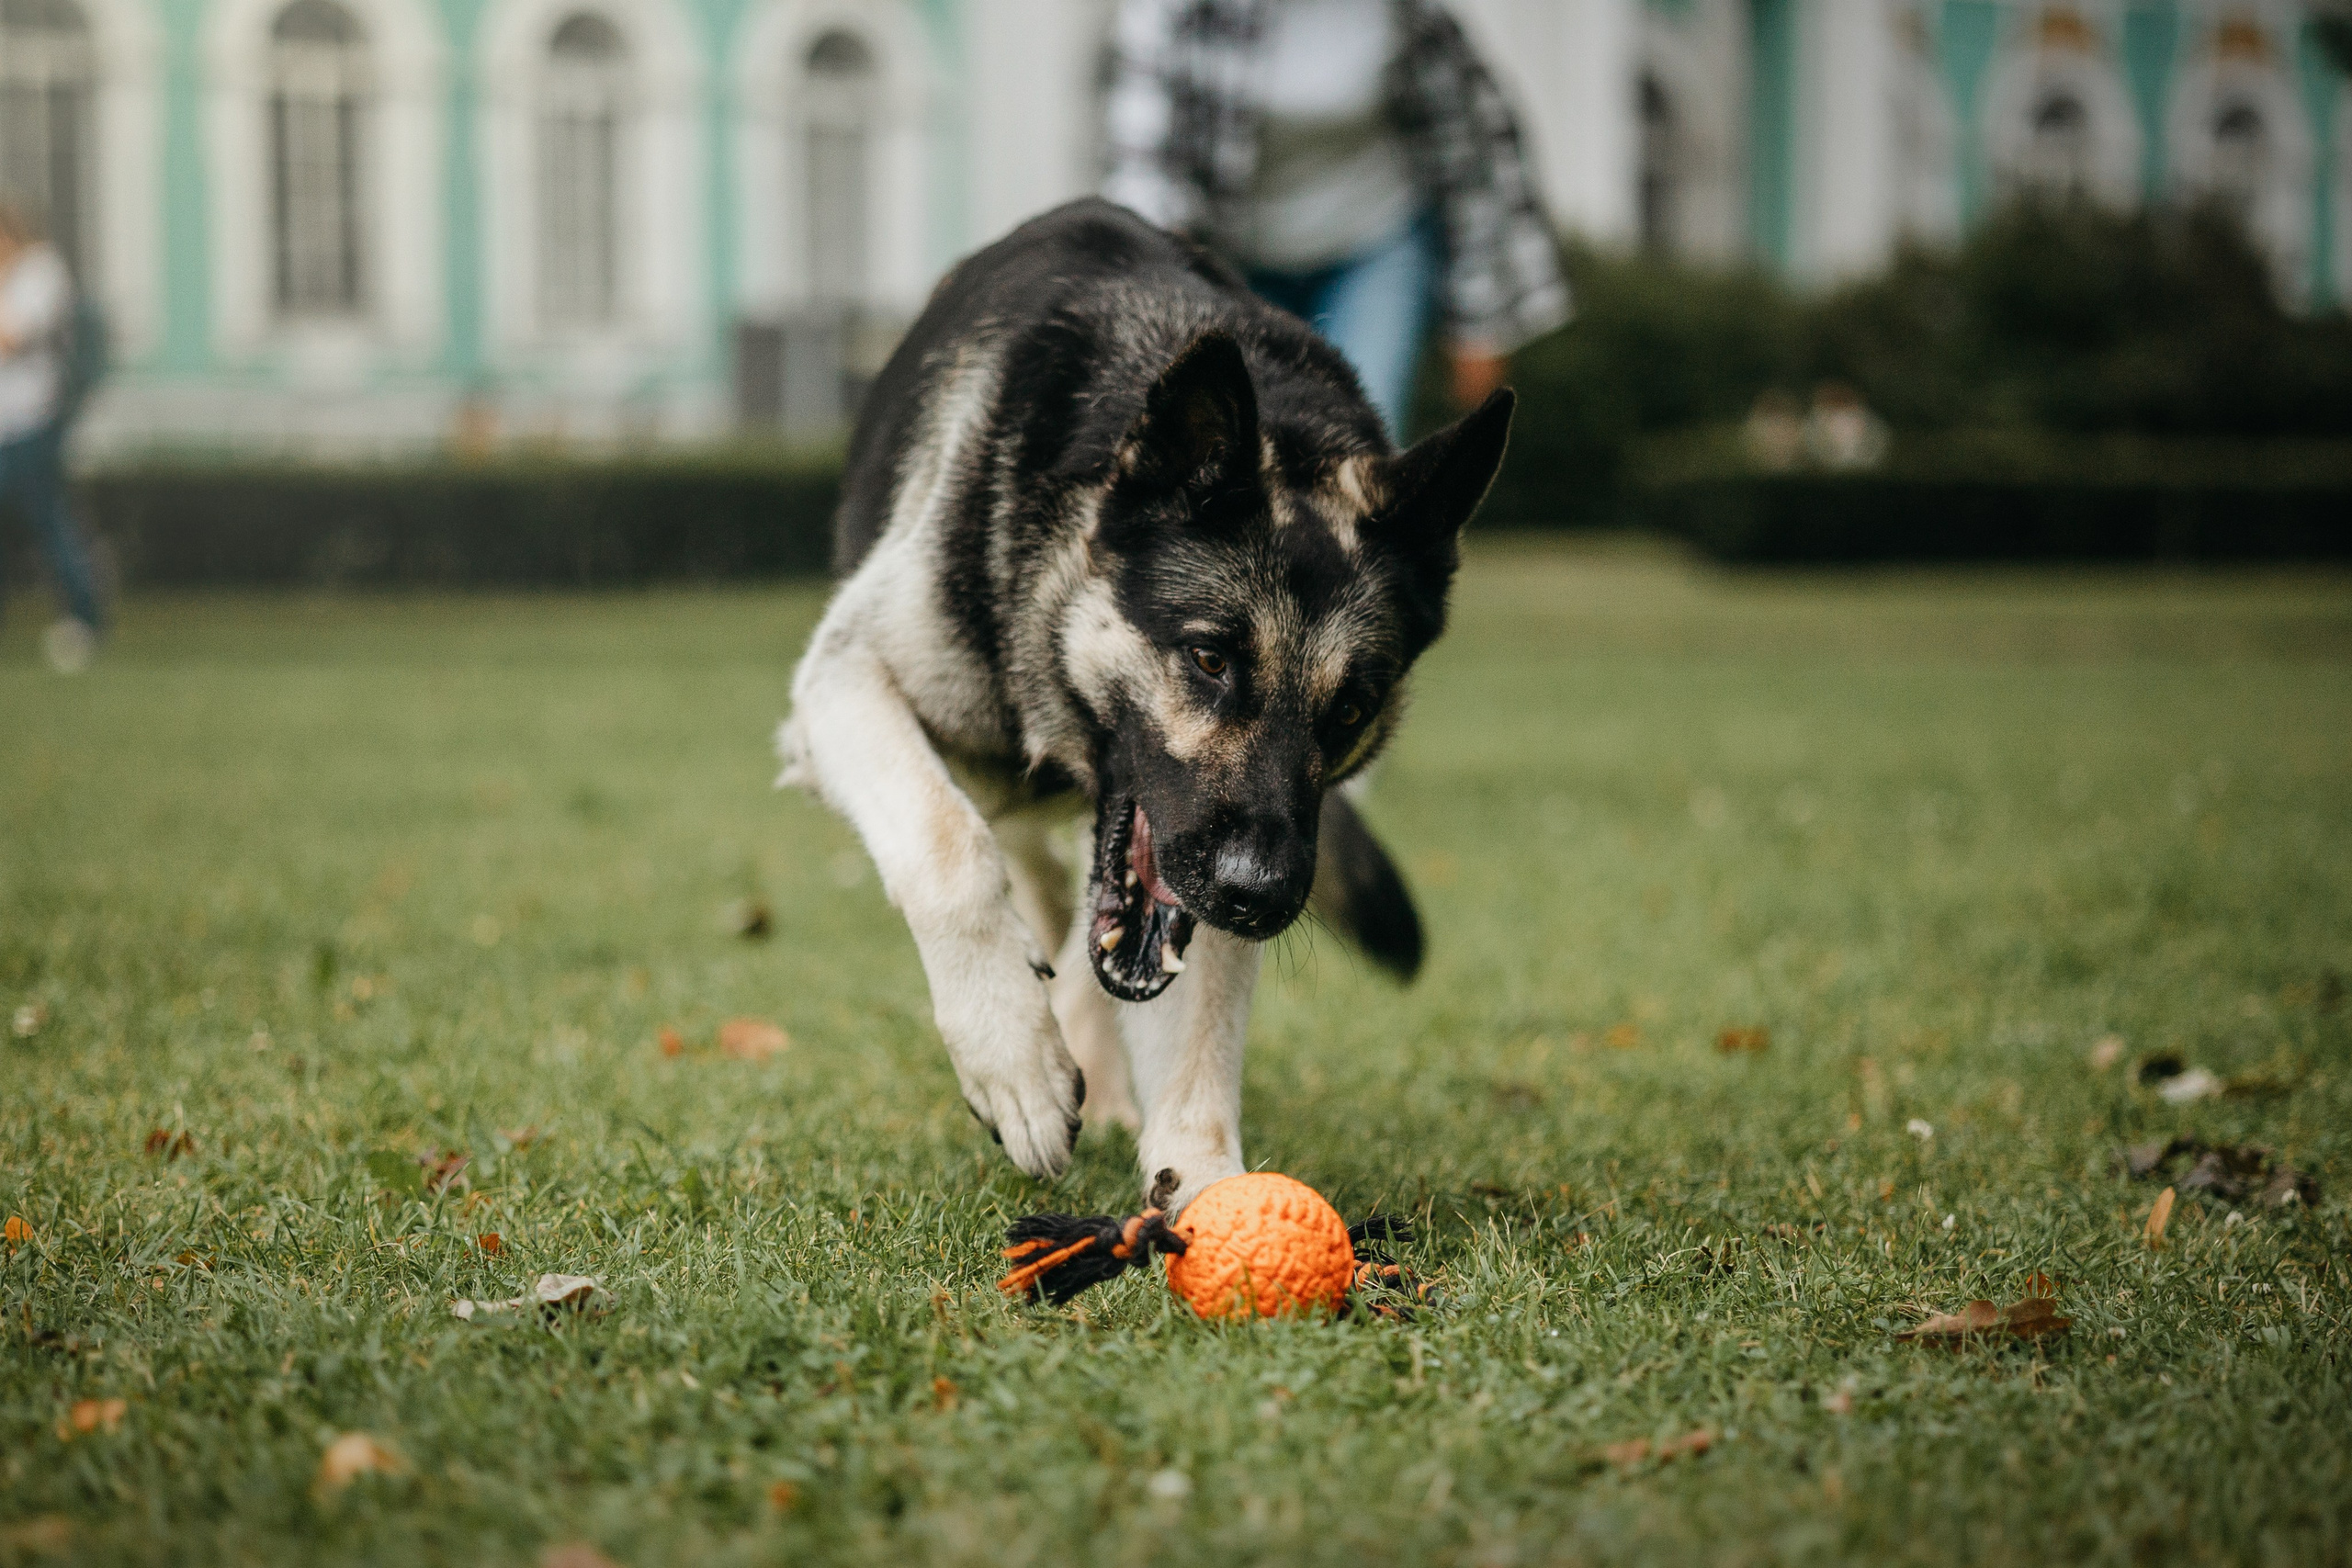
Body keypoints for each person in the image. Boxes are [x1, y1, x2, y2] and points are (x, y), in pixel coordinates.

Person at [1103, 0, 1568, 440]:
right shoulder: (1177, 11)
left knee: (1356, 442)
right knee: (1241, 452)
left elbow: (1467, 152)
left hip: (1374, 249)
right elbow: (1141, 161)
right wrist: (1157, 296)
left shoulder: (1407, 11)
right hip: (1235, 261)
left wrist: (1478, 324)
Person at [0, 202, 107, 673]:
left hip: (32, 422)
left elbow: (13, 338)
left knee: (49, 521)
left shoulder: (40, 271)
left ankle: (84, 618)